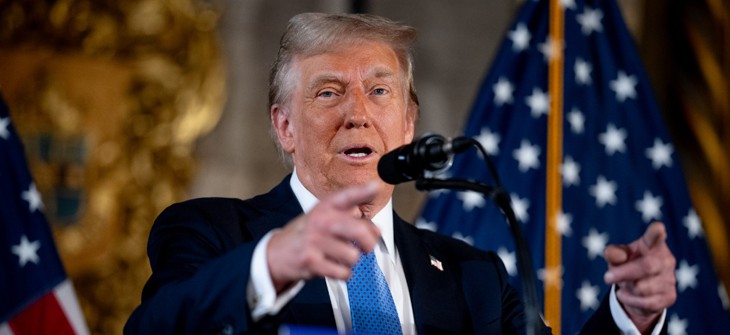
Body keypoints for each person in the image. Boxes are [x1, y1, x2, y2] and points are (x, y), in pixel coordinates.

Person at [124, 12, 676, 335]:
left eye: (379, 91)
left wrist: (631, 314)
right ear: (284, 126)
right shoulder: (211, 234)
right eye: (328, 92)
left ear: (409, 124)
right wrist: (270, 264)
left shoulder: (473, 276)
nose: (357, 112)